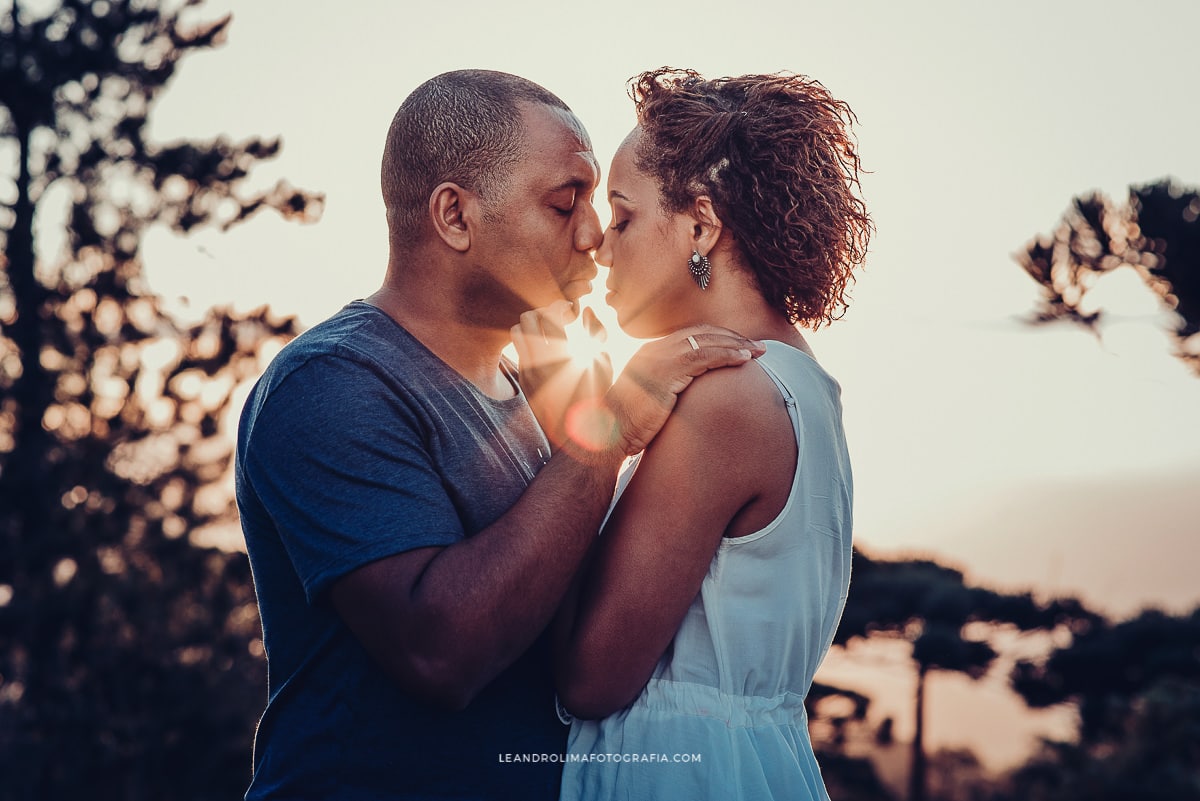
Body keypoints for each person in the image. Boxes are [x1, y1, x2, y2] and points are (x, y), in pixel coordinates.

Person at [233, 69, 764, 801]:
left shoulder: (530, 396)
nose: (595, 234)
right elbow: (439, 653)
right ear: (454, 215)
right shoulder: (330, 385)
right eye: (564, 202)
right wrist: (603, 436)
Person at [511, 68, 871, 801]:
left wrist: (575, 435)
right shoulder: (799, 382)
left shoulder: (726, 399)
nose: (602, 249)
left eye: (623, 216)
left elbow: (589, 679)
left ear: (701, 225)